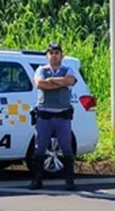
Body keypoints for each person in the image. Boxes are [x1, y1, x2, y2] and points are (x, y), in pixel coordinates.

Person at [28, 42, 78, 190]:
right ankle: (37, 181)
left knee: (66, 148)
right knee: (39, 148)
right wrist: (58, 83)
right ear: (47, 56)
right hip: (44, 116)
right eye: (51, 53)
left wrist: (51, 81)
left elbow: (69, 81)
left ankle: (69, 181)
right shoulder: (41, 70)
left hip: (62, 115)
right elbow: (40, 84)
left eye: (57, 52)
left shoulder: (68, 69)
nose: (54, 55)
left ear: (61, 55)